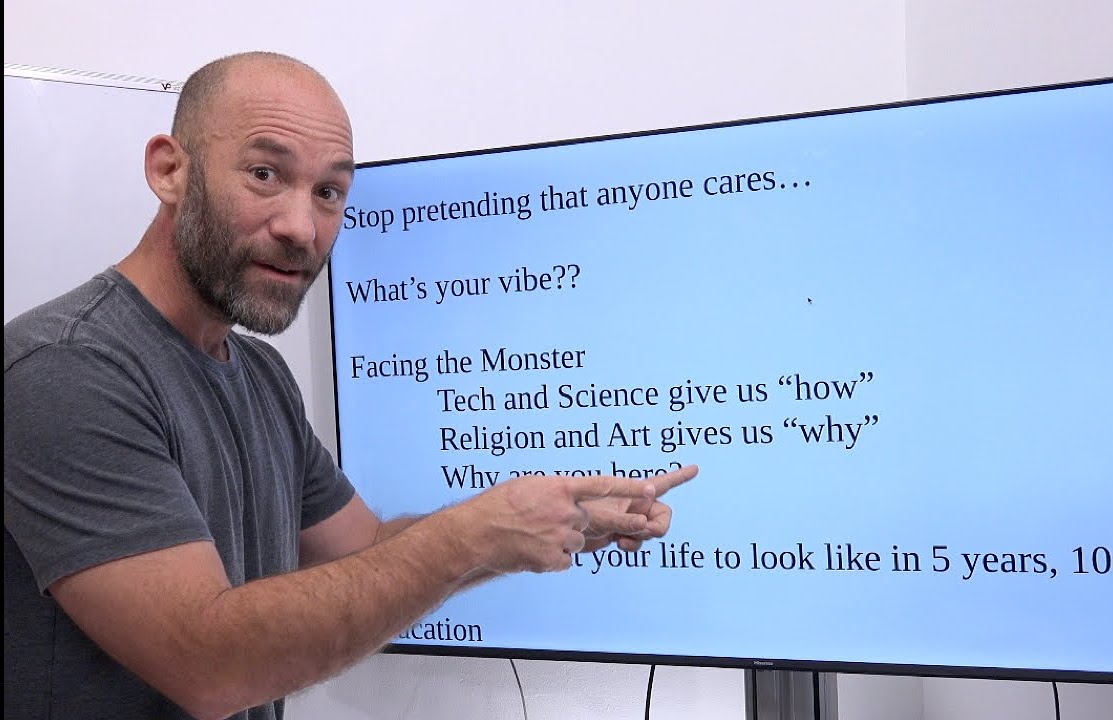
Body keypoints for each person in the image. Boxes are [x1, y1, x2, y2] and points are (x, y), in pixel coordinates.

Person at [3, 51, 697, 720]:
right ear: (169, 170)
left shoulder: (261, 375)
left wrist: (546, 523)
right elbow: (206, 668)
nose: (302, 228)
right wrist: (477, 536)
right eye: (265, 174)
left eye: (329, 193)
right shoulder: (66, 368)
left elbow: (367, 552)